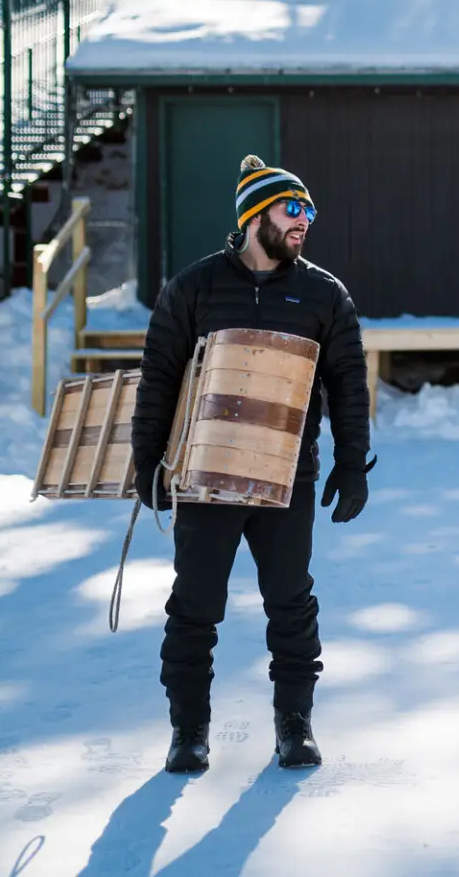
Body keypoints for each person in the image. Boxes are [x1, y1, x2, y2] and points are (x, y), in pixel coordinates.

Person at [130, 154, 373, 774]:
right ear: (255, 216)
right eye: (294, 209)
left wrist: (352, 464)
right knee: (195, 606)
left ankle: (295, 726)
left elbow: (347, 382)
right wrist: (146, 458)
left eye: (310, 212)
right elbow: (160, 375)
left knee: (291, 603)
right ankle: (189, 732)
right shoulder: (195, 288)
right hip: (206, 475)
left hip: (287, 475)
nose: (305, 222)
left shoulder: (324, 293)